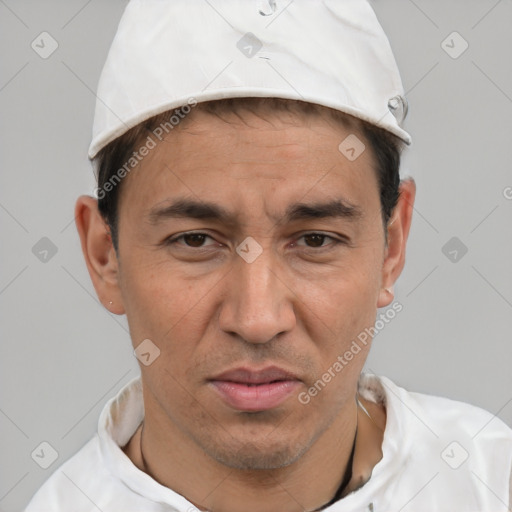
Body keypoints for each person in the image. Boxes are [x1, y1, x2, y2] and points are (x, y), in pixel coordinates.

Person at [25, 1, 512, 511]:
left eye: (315, 240)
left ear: (392, 247)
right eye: (195, 240)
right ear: (106, 256)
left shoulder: (486, 483)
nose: (257, 320)